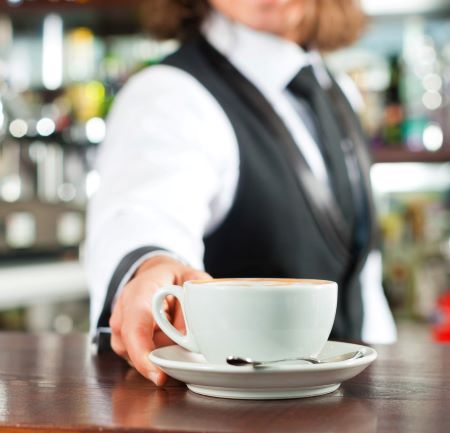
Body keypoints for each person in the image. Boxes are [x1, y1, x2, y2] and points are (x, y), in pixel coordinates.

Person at [85, 0, 396, 386]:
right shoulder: (168, 94)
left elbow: (361, 275)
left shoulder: (337, 89)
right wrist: (151, 266)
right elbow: (143, 211)